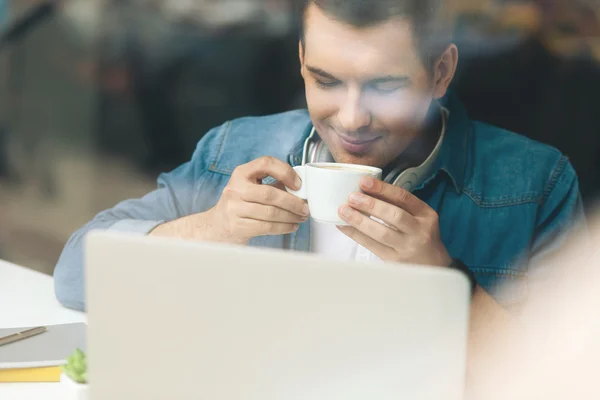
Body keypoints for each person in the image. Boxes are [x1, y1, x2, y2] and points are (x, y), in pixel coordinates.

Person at [54, 0, 585, 379]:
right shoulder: (234, 151)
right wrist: (212, 228)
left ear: (441, 71)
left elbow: (572, 381)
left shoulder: (536, 184)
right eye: (326, 81)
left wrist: (443, 282)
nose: (352, 119)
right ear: (302, 61)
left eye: (385, 85)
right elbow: (77, 273)